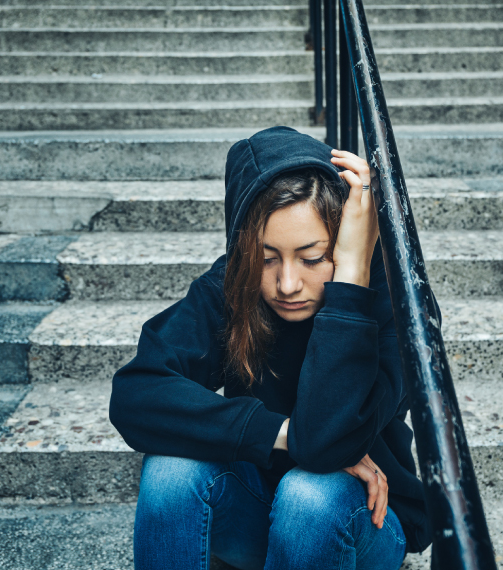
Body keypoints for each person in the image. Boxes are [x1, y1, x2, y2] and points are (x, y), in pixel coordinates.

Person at [109, 126, 431, 570]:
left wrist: (352, 273)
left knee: (310, 492)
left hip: (363, 522)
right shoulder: (233, 287)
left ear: (342, 239)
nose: (287, 284)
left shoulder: (392, 302)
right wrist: (282, 434)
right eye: (266, 258)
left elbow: (324, 444)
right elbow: (136, 393)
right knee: (170, 471)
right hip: (257, 511)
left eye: (313, 257)